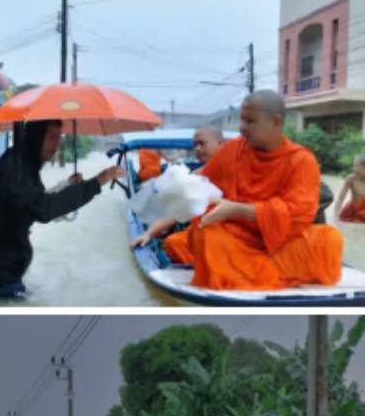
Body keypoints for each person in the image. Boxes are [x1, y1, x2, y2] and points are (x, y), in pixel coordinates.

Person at [163, 91, 343, 291]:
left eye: (250, 121)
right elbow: (200, 193)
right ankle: (260, 273)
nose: (242, 128)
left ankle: (250, 273)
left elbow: (300, 213)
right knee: (204, 234)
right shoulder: (230, 151)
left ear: (276, 122)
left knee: (329, 240)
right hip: (237, 239)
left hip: (282, 242)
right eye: (242, 120)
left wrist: (238, 209)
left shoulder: (301, 161)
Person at [0, 120, 123, 300]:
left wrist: (68, 185)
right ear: (36, 137)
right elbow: (43, 209)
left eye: (59, 137)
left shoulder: (23, 162)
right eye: (52, 137)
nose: (57, 144)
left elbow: (33, 202)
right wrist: (98, 181)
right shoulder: (17, 166)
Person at [130, 128, 224, 249]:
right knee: (172, 243)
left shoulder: (237, 167)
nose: (197, 148)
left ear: (220, 143)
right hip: (206, 228)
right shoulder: (196, 176)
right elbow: (178, 211)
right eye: (195, 145)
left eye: (202, 143)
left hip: (233, 228)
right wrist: (148, 234)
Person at [334, 155, 365, 223]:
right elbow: (340, 199)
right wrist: (336, 216)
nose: (355, 169)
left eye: (357, 166)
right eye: (354, 166)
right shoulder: (351, 179)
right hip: (352, 210)